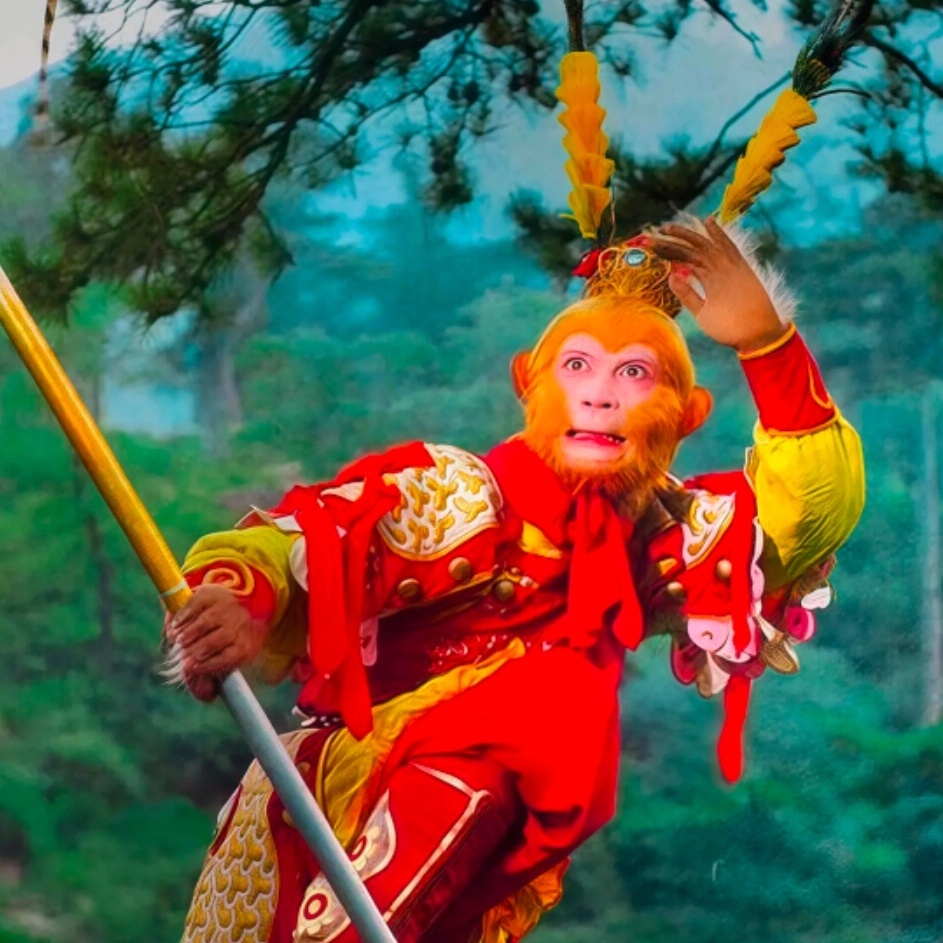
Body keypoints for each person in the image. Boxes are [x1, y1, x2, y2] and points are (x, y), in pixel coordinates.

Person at [168, 21, 867, 943]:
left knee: (557, 706)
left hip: (475, 857)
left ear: (686, 414)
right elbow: (300, 538)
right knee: (551, 702)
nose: (602, 397)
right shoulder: (460, 496)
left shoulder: (666, 533)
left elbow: (805, 517)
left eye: (634, 376)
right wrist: (238, 597)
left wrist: (768, 346)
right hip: (325, 804)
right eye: (578, 368)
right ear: (527, 384)